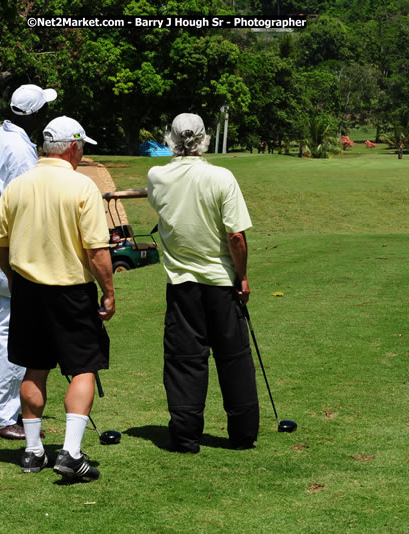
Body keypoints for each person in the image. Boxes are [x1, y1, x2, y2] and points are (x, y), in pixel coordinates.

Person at [0, 116, 114, 480]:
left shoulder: (19, 185)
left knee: (34, 367)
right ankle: (71, 453)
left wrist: (12, 276)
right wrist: (108, 290)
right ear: (73, 147)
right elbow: (97, 250)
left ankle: (32, 451)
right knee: (84, 366)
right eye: (82, 147)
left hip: (28, 290)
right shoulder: (82, 186)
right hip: (71, 291)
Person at [147, 113, 259, 453]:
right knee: (234, 357)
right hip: (221, 282)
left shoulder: (156, 176)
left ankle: (185, 437)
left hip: (182, 283)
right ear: (204, 139)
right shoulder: (221, 177)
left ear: (170, 139)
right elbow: (236, 237)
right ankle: (242, 435)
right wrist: (242, 277)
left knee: (184, 360)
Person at [0, 84, 56, 439]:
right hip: (7, 249)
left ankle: (5, 411)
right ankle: (2, 417)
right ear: (35, 115)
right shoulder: (20, 149)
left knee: (4, 329)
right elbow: (29, 205)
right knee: (10, 333)